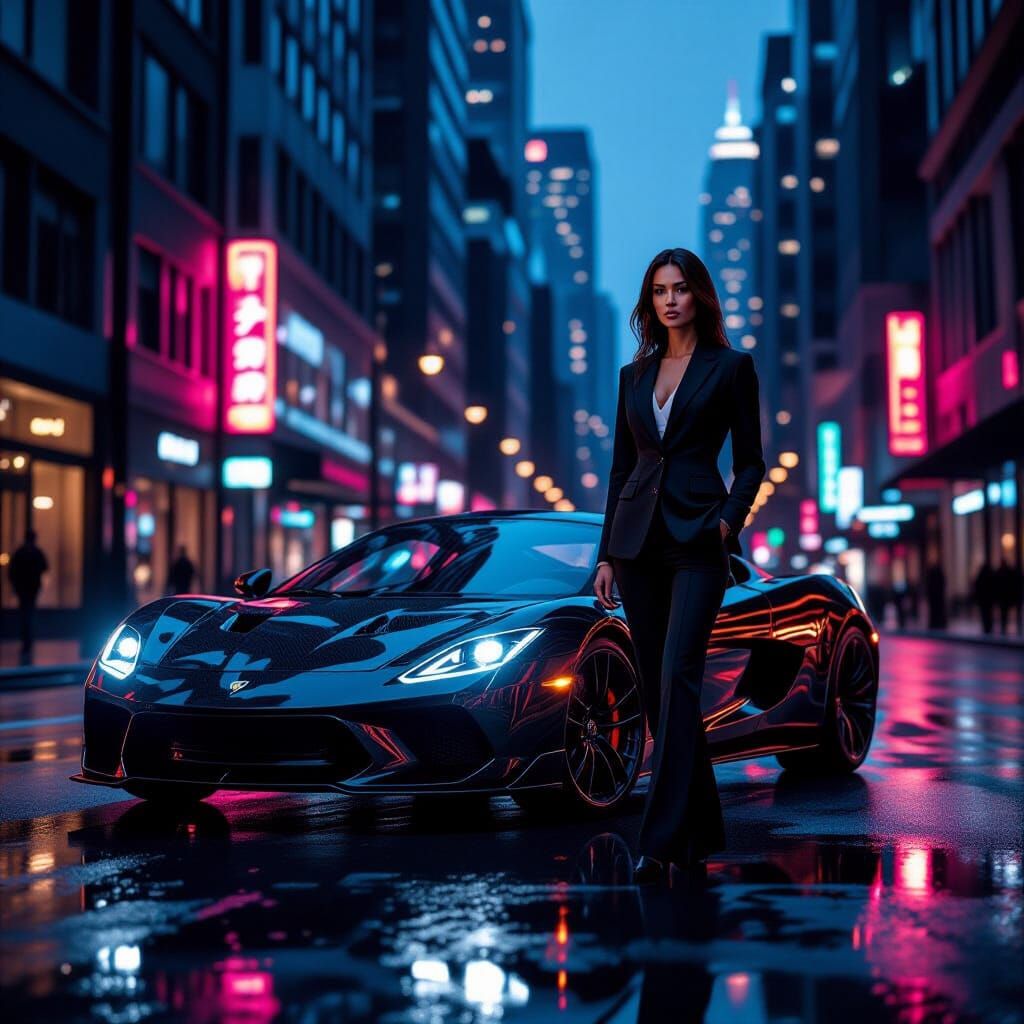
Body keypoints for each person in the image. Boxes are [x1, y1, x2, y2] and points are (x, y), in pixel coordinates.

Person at [592, 247, 766, 885]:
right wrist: (607, 552)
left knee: (679, 677)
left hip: (698, 540)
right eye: (660, 289)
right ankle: (702, 828)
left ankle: (659, 841)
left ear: (700, 296)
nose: (671, 299)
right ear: (651, 300)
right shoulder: (633, 377)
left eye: (681, 288)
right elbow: (621, 469)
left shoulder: (731, 367)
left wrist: (728, 521)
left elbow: (752, 461)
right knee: (660, 694)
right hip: (637, 546)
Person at [9, 529, 49, 660]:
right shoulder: (37, 552)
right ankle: (28, 641)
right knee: (29, 614)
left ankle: (26, 642)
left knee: (25, 615)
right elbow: (45, 567)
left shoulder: (20, 552)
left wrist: (15, 585)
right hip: (32, 588)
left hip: (23, 588)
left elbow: (12, 571)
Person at [994, 558, 1022, 636]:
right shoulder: (1006, 572)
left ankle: (1005, 627)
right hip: (1005, 597)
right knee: (1004, 612)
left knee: (1004, 613)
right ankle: (1005, 627)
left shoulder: (1001, 572)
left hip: (1004, 597)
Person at [973, 560, 996, 635]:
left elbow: (977, 587)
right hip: (988, 600)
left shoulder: (981, 576)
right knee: (988, 614)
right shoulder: (990, 576)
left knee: (985, 614)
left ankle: (986, 627)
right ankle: (988, 627)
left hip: (984, 600)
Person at [924, 561, 947, 630]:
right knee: (936, 612)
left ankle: (936, 624)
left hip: (935, 599)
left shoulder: (933, 576)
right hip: (937, 599)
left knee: (935, 612)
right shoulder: (938, 575)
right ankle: (938, 623)